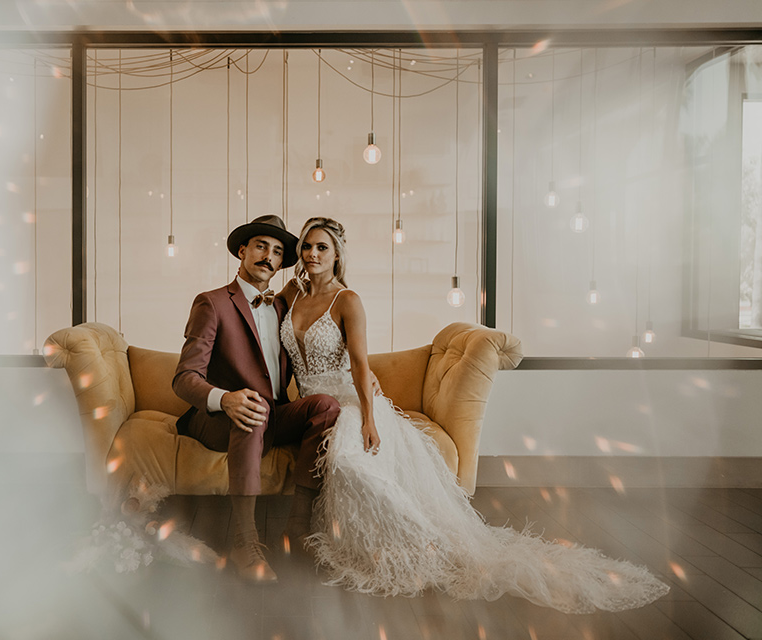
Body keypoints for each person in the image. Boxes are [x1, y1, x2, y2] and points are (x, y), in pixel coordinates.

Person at [277, 216, 670, 612]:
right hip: (307, 402)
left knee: (351, 463)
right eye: (307, 246)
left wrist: (368, 419)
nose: (312, 254)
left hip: (348, 402)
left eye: (321, 247)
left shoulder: (347, 300)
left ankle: (424, 547)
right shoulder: (291, 292)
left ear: (337, 254)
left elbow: (361, 365)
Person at [172, 214, 340, 584]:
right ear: (243, 251)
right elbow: (184, 378)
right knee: (253, 408)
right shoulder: (212, 303)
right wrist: (224, 398)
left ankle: (297, 526)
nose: (269, 256)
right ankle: (244, 542)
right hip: (219, 419)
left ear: (282, 262)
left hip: (274, 414)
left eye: (278, 251)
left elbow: (314, 354)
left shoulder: (282, 307)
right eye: (261, 246)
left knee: (327, 406)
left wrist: (365, 376)